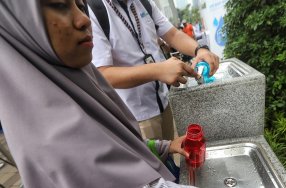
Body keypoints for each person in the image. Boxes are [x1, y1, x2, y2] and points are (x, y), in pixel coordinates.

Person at [0, 1, 195, 187]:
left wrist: (165, 147)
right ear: (21, 23)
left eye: (81, 6)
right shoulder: (53, 145)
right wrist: (157, 70)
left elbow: (118, 143)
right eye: (59, 5)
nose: (84, 19)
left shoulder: (81, 86)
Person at [89, 0, 219, 140]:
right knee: (153, 161)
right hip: (135, 116)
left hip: (164, 103)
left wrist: (199, 50)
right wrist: (157, 70)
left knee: (169, 158)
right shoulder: (95, 10)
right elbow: (102, 74)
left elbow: (172, 34)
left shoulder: (144, 3)